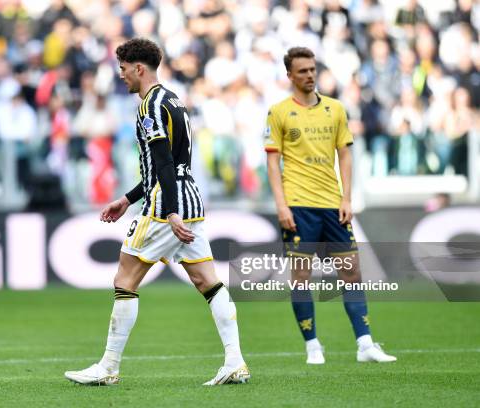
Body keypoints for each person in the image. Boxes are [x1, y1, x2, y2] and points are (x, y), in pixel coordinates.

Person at [64, 38, 250, 386]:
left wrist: (171, 212)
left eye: (122, 70)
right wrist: (127, 198)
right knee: (207, 282)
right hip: (189, 196)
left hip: (167, 204)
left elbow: (163, 160)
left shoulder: (150, 106)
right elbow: (172, 163)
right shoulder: (175, 99)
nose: (121, 77)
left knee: (124, 280)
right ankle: (235, 361)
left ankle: (107, 366)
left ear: (139, 68)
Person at [264, 47, 396, 364]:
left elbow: (345, 155)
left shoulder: (335, 109)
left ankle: (365, 344)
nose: (309, 75)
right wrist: (281, 206)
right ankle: (312, 346)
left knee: (351, 272)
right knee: (301, 277)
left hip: (332, 204)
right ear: (290, 76)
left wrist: (347, 197)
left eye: (312, 69)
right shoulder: (279, 112)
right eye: (302, 71)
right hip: (297, 204)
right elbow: (272, 163)